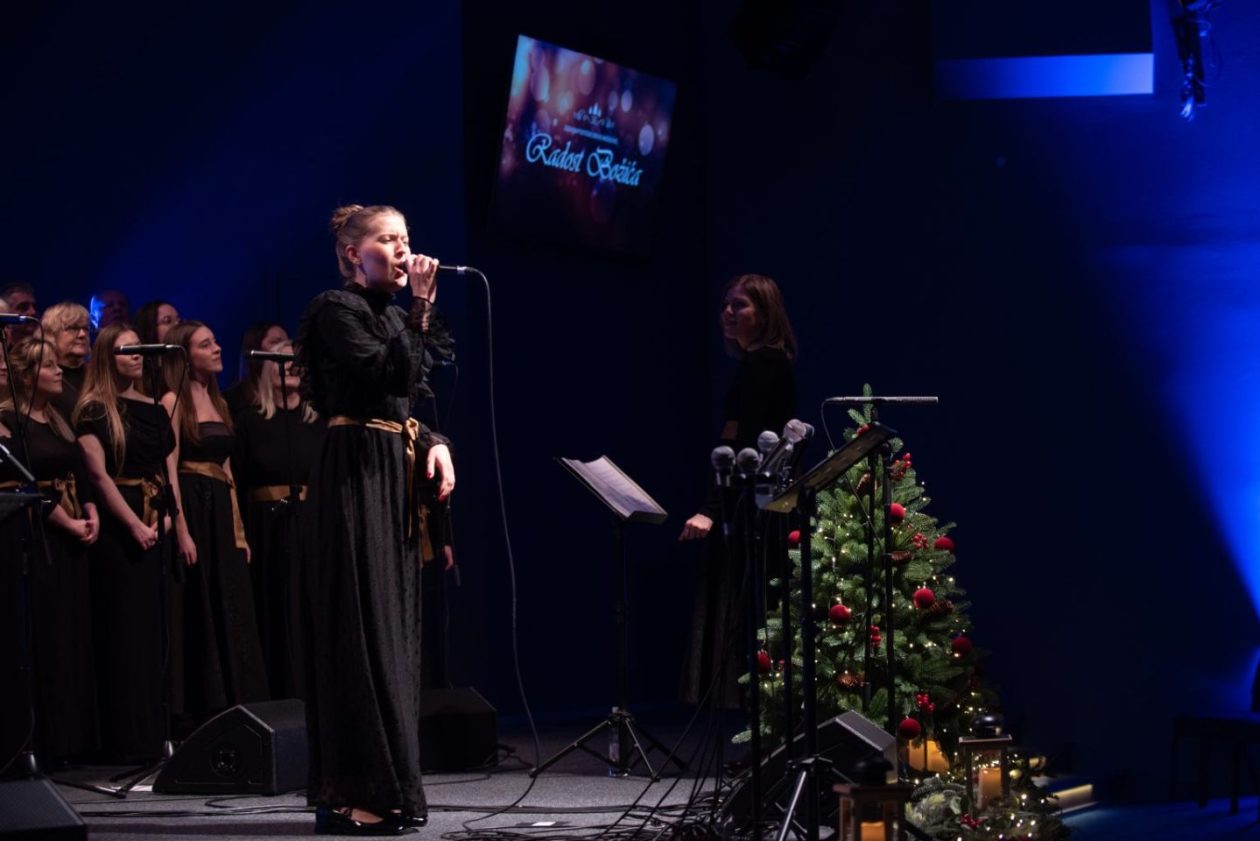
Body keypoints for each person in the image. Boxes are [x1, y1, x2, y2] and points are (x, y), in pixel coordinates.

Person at [296, 204, 454, 836]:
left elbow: (407, 394)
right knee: (360, 631)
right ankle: (353, 791)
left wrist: (436, 439)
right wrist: (417, 307)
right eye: (388, 239)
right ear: (351, 255)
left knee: (393, 631)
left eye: (406, 238)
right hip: (354, 474)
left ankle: (389, 785)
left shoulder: (393, 316)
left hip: (392, 473)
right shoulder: (337, 310)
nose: (402, 248)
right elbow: (382, 374)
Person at [679, 273, 797, 707]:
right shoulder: (760, 364)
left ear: (764, 315)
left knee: (751, 619)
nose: (728, 313)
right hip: (754, 505)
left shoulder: (764, 366)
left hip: (754, 510)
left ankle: (763, 738)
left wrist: (711, 508)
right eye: (726, 304)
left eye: (741, 305)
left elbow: (740, 445)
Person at [74, 323, 176, 761]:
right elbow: (98, 476)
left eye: (139, 349)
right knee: (125, 633)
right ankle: (126, 739)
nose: (136, 356)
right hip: (121, 526)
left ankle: (156, 733)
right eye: (125, 350)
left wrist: (168, 518)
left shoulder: (152, 406)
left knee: (157, 632)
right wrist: (135, 525)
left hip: (158, 519)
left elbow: (165, 470)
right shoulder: (96, 410)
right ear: (105, 357)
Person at [0, 338, 101, 764]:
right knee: (48, 638)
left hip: (74, 537)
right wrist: (69, 520)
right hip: (42, 535)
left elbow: (79, 471)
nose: (60, 371)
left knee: (75, 634)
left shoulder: (57, 418)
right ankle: (47, 741)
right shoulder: (12, 421)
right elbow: (28, 486)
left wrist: (91, 512)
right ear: (26, 376)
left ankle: (75, 739)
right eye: (48, 366)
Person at [162, 320, 268, 718]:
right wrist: (182, 530)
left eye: (215, 340)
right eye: (206, 345)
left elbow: (228, 471)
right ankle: (203, 706)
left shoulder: (219, 401)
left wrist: (240, 533)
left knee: (233, 601)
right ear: (186, 357)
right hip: (193, 504)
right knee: (202, 603)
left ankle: (239, 701)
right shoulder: (174, 400)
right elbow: (169, 469)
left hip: (222, 510)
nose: (218, 348)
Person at [233, 339, 325, 699]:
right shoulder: (249, 422)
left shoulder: (319, 421)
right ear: (267, 369)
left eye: (295, 361)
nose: (289, 366)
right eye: (281, 361)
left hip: (310, 524)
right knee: (272, 609)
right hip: (265, 527)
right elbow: (237, 481)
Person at [223, 322, 289, 415]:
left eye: (286, 343)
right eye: (275, 342)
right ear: (256, 347)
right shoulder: (233, 400)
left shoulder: (290, 395)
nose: (285, 349)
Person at [41, 302, 93, 419]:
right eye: (73, 328)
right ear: (51, 333)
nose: (82, 334)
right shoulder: (44, 380)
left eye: (86, 328)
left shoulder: (96, 373)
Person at [133, 300, 181, 397]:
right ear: (150, 328)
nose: (177, 325)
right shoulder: (139, 372)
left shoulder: (184, 364)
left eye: (178, 321)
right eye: (167, 321)